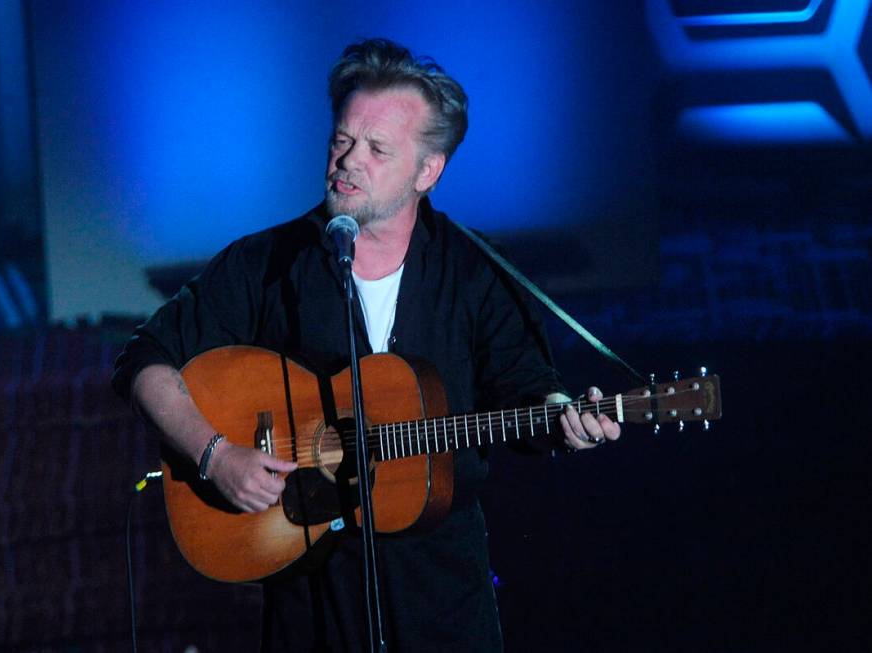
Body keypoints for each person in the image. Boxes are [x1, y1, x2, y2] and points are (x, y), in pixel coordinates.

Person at [112, 38, 620, 652]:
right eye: (342, 140)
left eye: (377, 149)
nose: (348, 161)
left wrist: (565, 415)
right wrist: (216, 455)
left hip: (443, 597)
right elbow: (145, 361)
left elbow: (526, 389)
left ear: (427, 171)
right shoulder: (266, 264)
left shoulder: (475, 271)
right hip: (311, 597)